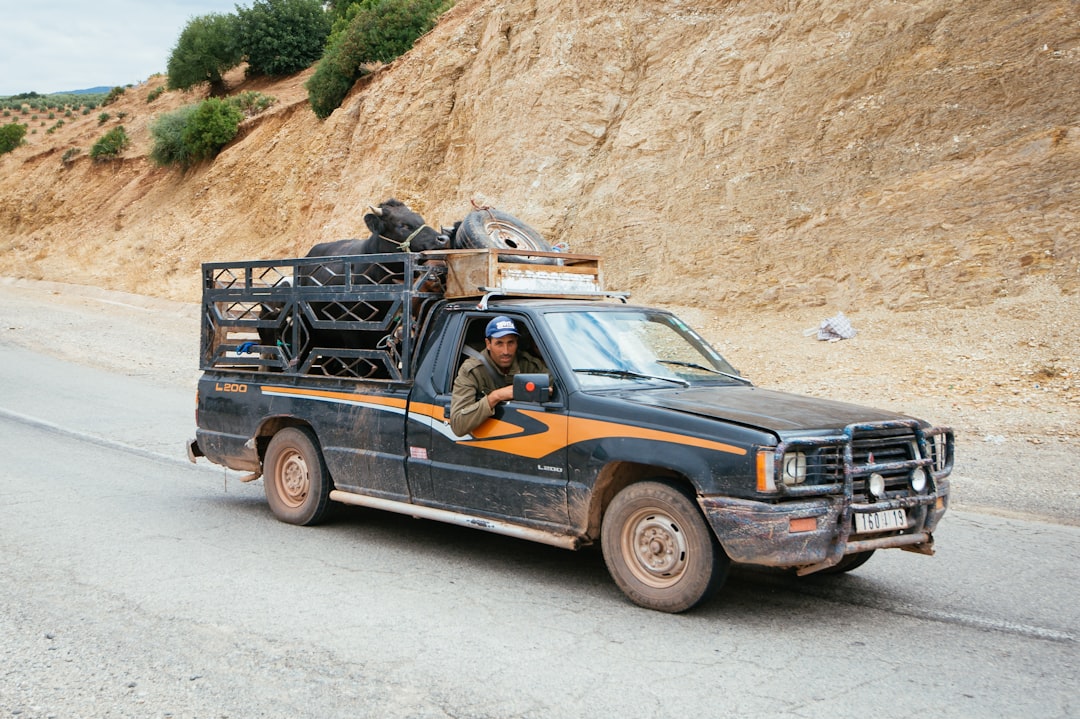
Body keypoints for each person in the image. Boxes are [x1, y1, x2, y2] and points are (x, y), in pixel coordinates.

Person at [450, 315, 548, 436]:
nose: (506, 351)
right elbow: (458, 425)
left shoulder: (528, 364)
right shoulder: (472, 370)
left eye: (510, 343)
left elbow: (556, 389)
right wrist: (495, 397)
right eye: (499, 343)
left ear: (517, 343)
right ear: (488, 344)